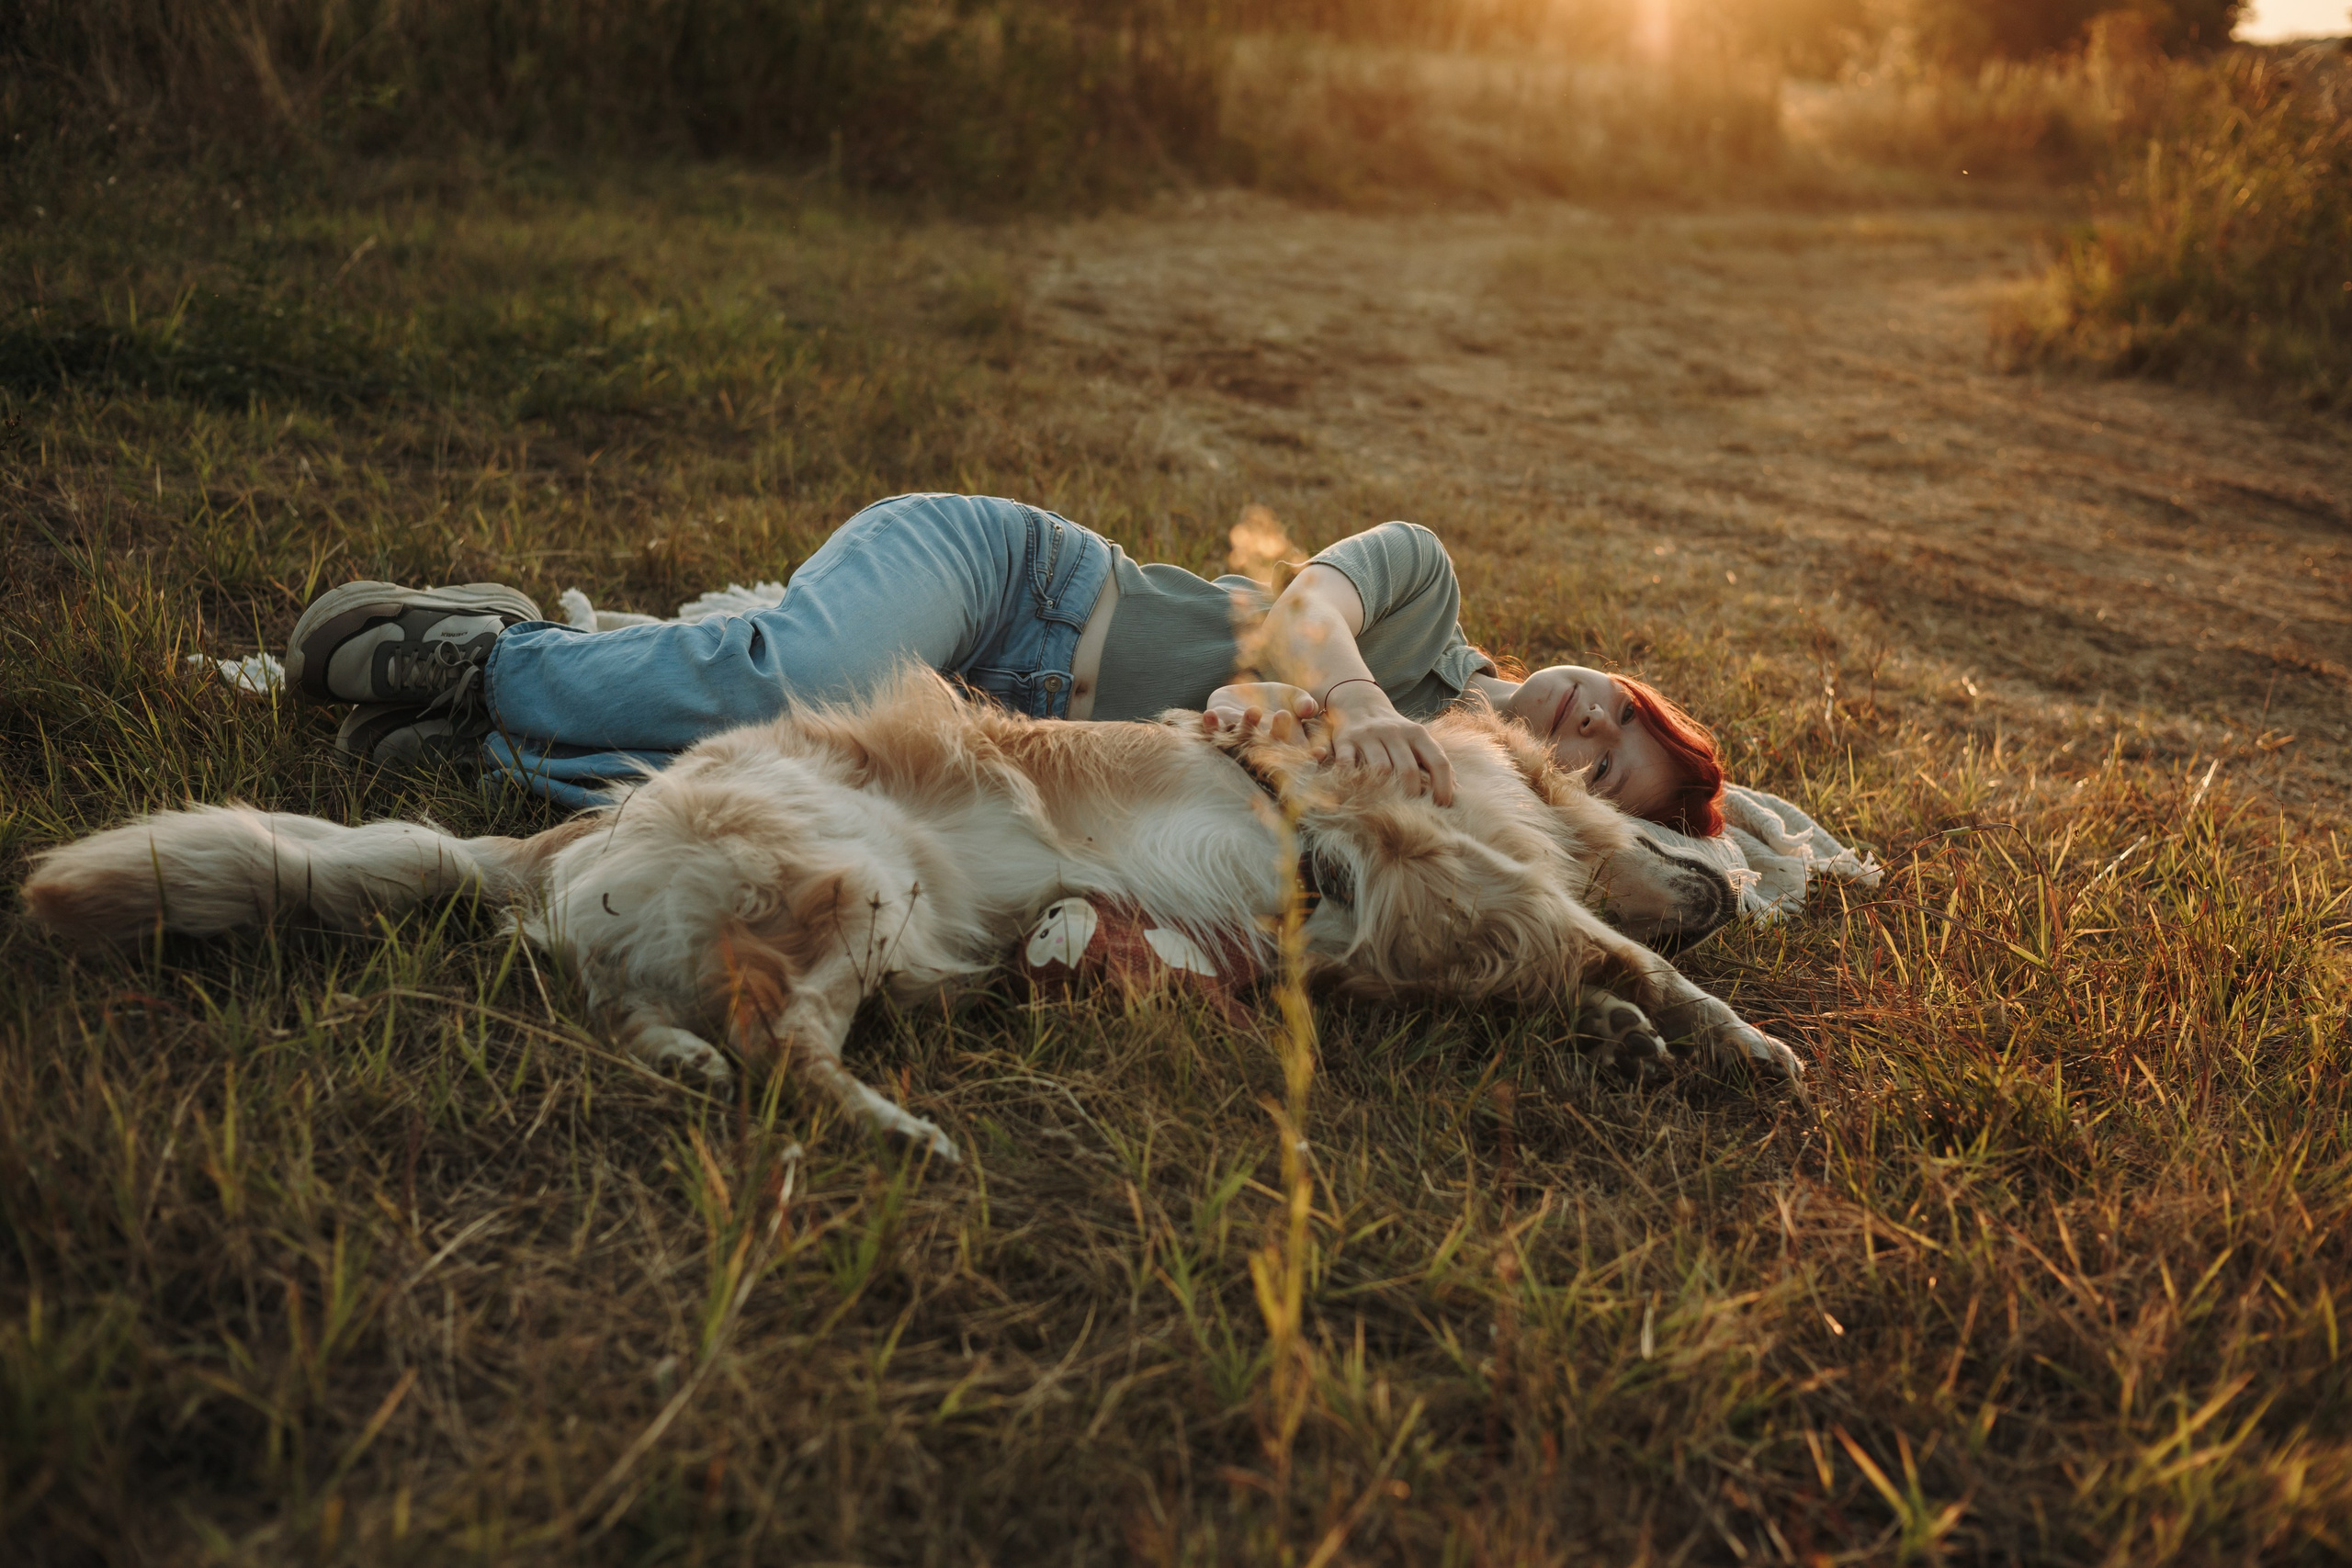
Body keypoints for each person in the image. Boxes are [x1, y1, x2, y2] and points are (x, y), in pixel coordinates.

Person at [284, 491, 1725, 831]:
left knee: (782, 791)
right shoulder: (1425, 594)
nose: (1588, 729)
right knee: (773, 682)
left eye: (1607, 772)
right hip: (1008, 586)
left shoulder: (1449, 807)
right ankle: (483, 650)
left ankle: (503, 744)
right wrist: (1355, 701)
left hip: (1002, 731)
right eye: (1628, 711)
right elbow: (1304, 618)